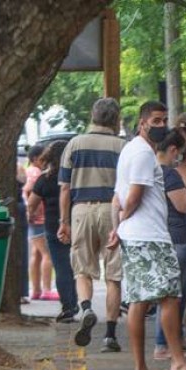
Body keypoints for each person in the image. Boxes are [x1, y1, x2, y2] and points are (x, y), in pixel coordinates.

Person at [112, 100, 186, 370]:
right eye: (156, 120)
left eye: (165, 119)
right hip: (150, 234)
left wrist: (117, 228)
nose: (161, 125)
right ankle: (178, 363)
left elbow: (117, 195)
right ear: (142, 123)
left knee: (139, 301)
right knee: (169, 298)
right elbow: (133, 196)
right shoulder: (142, 154)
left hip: (135, 234)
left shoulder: (129, 150)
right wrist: (125, 218)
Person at [58, 97, 126, 351]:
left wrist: (64, 222)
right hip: (112, 210)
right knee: (113, 276)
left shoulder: (74, 144)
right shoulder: (122, 146)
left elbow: (65, 187)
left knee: (82, 269)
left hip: (81, 209)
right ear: (116, 118)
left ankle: (86, 308)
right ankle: (110, 335)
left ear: (92, 115)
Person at [152, 131, 186, 360]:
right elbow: (183, 205)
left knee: (173, 292)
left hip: (165, 236)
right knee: (172, 295)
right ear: (172, 150)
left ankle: (174, 338)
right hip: (177, 237)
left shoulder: (150, 171)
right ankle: (163, 343)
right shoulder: (168, 174)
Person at [27, 140, 78, 322]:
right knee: (76, 267)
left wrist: (30, 216)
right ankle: (79, 301)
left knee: (62, 266)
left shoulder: (44, 179)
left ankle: (68, 307)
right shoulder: (76, 177)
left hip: (52, 226)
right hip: (77, 224)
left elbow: (32, 203)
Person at [23, 144, 55, 301]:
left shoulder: (28, 170)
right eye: (43, 157)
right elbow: (29, 189)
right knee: (47, 254)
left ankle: (36, 289)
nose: (46, 160)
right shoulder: (37, 173)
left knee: (36, 254)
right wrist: (32, 210)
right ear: (35, 159)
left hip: (32, 219)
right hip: (39, 218)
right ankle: (47, 289)